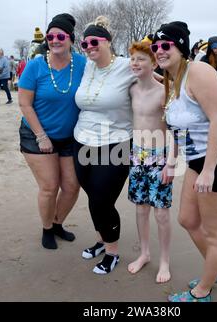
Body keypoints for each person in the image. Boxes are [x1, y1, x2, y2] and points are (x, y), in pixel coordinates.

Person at [151, 21, 217, 302]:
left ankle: (202, 292)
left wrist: (209, 170)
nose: (159, 50)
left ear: (181, 48)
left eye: (165, 45)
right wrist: (171, 162)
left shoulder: (199, 72)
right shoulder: (171, 77)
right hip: (197, 159)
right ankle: (214, 266)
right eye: (156, 46)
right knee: (187, 219)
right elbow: (176, 127)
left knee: (214, 232)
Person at [73, 16, 137, 275]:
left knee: (102, 199)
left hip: (116, 143)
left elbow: (158, 79)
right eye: (84, 43)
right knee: (93, 196)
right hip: (82, 141)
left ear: (108, 42)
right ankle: (102, 239)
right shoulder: (86, 67)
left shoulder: (126, 66)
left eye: (94, 42)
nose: (88, 47)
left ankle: (112, 252)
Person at [18, 13, 86, 249]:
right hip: (37, 135)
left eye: (60, 36)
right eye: (50, 36)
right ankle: (47, 228)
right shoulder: (35, 66)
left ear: (70, 38)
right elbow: (25, 104)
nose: (55, 40)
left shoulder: (82, 63)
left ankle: (57, 223)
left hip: (69, 136)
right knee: (49, 187)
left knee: (71, 186)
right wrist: (41, 136)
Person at [127, 40, 174, 283]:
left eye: (140, 59)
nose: (134, 63)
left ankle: (164, 260)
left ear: (153, 63)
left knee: (161, 214)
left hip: (160, 157)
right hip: (137, 155)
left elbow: (176, 129)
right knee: (140, 208)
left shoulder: (165, 90)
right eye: (132, 59)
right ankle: (144, 253)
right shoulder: (131, 88)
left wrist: (172, 163)